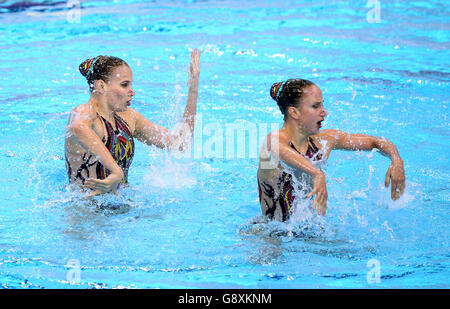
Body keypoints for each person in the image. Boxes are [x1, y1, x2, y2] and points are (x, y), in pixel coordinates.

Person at [257, 79, 405, 221]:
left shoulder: (324, 141)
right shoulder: (273, 141)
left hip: (306, 231)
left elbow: (376, 142)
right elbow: (278, 148)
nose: (324, 112)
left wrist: (396, 160)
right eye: (315, 106)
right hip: (272, 236)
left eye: (322, 105)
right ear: (294, 112)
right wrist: (316, 173)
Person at [65, 49, 201, 197]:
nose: (132, 91)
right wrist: (116, 171)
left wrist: (193, 89)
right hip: (86, 212)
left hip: (122, 207)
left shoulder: (129, 118)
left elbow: (179, 144)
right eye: (124, 85)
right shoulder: (84, 112)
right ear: (101, 86)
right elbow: (77, 128)